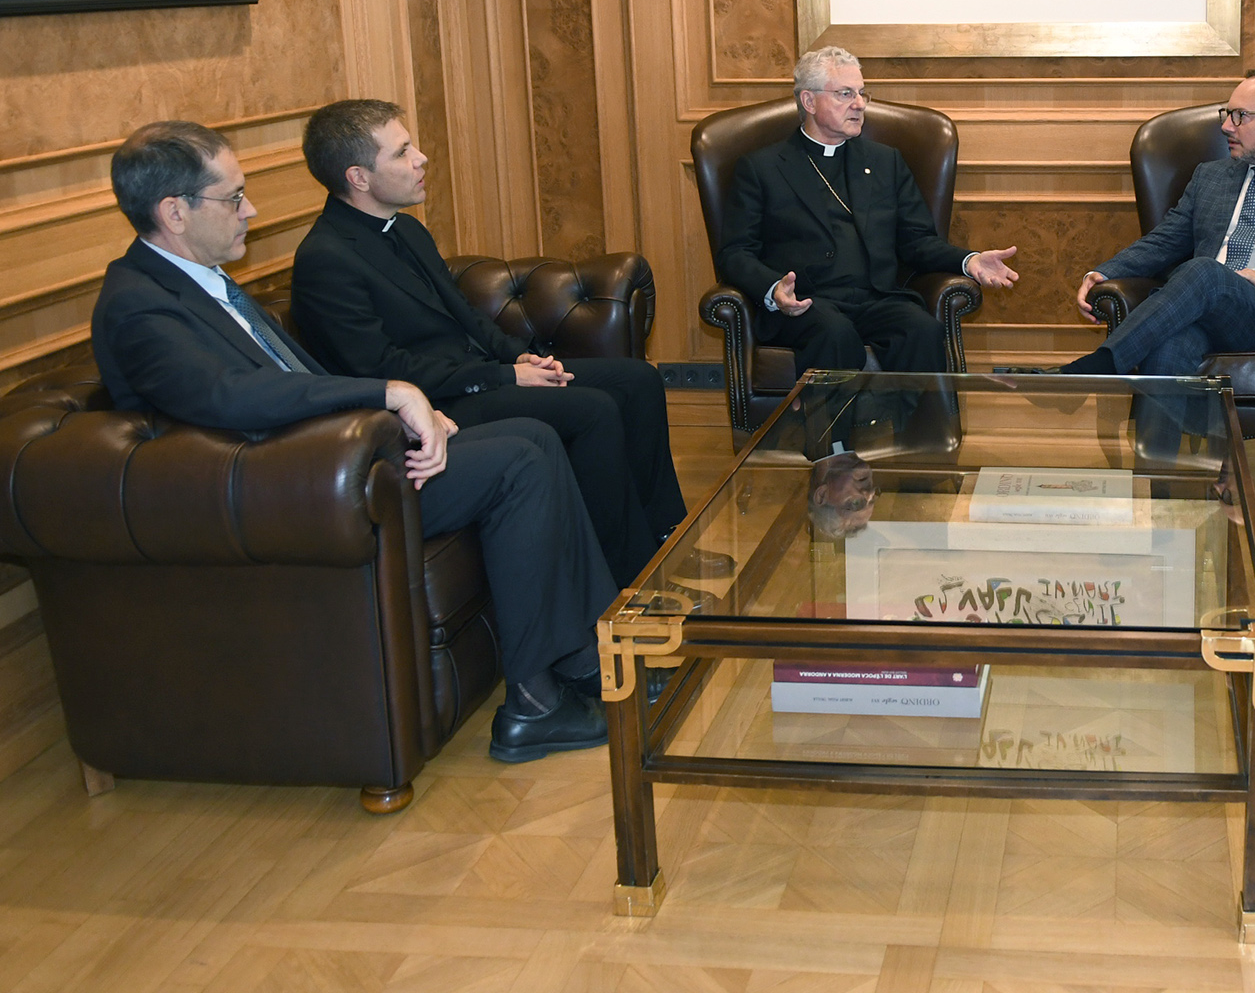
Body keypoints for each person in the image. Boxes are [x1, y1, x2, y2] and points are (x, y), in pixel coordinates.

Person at [91, 121, 618, 765]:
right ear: (174, 211)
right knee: (517, 463)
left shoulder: (198, 279)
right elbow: (229, 397)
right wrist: (388, 395)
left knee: (533, 435)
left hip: (336, 458)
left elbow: (299, 380)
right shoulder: (139, 305)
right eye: (233, 198)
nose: (250, 211)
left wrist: (403, 418)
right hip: (292, 492)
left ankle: (585, 657)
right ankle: (534, 704)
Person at [288, 100, 702, 587]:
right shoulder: (325, 260)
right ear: (358, 177)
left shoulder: (406, 228)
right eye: (402, 153)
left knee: (636, 380)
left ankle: (664, 537)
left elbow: (464, 316)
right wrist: (505, 376)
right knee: (593, 410)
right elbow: (382, 369)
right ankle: (626, 577)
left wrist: (518, 355)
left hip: (475, 376)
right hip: (436, 406)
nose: (420, 158)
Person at [1036, 68, 1255, 454]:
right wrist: (1103, 273)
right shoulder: (1211, 176)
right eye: (1226, 115)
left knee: (1203, 271)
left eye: (1241, 116)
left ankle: (1097, 368)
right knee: (1170, 345)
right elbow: (1164, 241)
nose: (1228, 126)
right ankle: (1162, 491)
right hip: (1197, 311)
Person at [717, 46, 1021, 374]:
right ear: (809, 101)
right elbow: (735, 253)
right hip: (807, 303)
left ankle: (916, 427)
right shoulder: (762, 168)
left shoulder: (883, 162)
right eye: (845, 94)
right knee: (835, 334)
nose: (859, 104)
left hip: (875, 299)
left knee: (921, 329)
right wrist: (773, 288)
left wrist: (968, 260)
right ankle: (831, 427)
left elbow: (917, 241)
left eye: (862, 93)